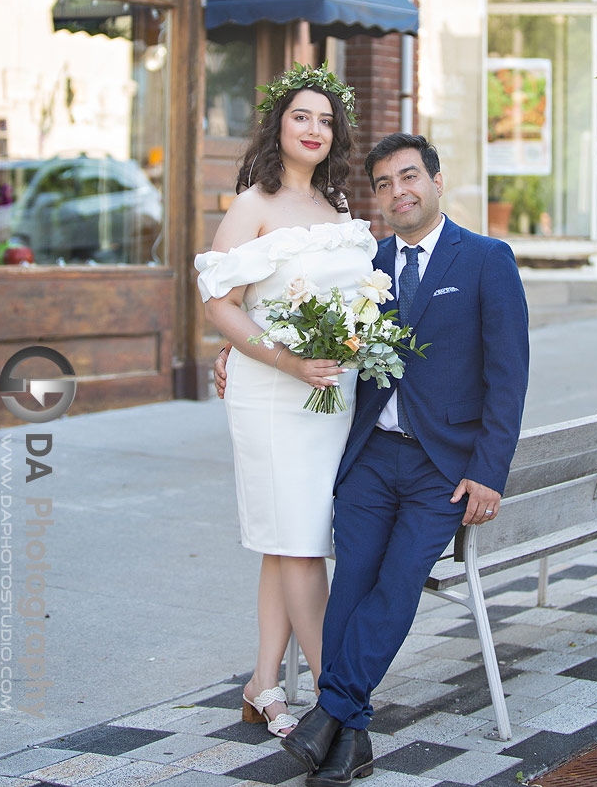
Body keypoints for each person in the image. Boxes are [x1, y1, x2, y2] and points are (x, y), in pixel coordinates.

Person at [278, 133, 529, 787]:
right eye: (385, 183)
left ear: (437, 181)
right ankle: (349, 739)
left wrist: (488, 472)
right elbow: (307, 322)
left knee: (395, 588)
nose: (398, 192)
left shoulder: (485, 259)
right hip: (369, 459)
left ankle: (330, 714)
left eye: (409, 176)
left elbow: (508, 378)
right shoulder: (366, 264)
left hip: (442, 469)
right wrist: (236, 354)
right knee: (352, 587)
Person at [195, 64, 377, 739]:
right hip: (274, 394)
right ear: (278, 124)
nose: (314, 129)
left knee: (286, 539)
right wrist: (284, 359)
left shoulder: (335, 207)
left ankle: (262, 684)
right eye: (302, 116)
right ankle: (338, 696)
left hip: (328, 395)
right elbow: (221, 303)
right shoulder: (254, 205)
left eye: (326, 120)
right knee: (300, 542)